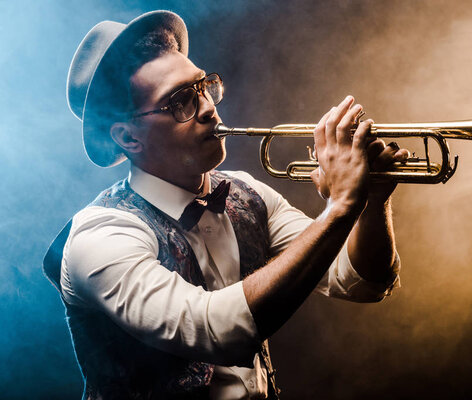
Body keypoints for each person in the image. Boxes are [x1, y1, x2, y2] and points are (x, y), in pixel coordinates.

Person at [43, 10, 408, 400]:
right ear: (129, 138)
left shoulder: (245, 192)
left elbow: (362, 282)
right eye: (181, 101)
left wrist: (372, 204)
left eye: (204, 86)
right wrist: (340, 207)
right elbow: (215, 329)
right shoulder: (99, 236)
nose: (208, 108)